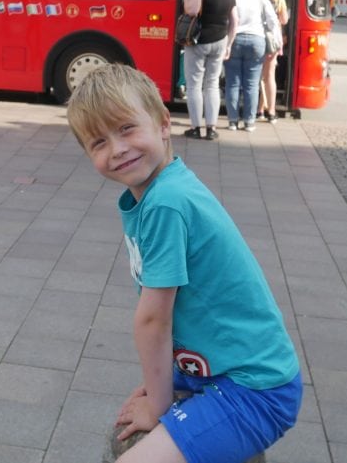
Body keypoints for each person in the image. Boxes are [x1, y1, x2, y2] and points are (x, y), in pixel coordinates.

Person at [65, 64, 301, 463]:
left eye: (126, 129)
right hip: (223, 372)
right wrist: (167, 383)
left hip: (254, 388)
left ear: (161, 125)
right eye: (98, 142)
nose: (117, 149)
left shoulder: (165, 203)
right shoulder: (160, 190)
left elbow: (153, 320)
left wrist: (158, 407)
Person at [182, 0, 237, 140]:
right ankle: (212, 128)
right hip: (220, 41)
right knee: (212, 84)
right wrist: (229, 44)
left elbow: (191, 10)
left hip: (199, 41)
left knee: (194, 85)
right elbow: (235, 21)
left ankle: (196, 128)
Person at [224, 0, 280, 131]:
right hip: (257, 41)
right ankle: (249, 122)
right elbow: (273, 21)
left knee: (232, 83)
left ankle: (233, 121)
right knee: (252, 83)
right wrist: (276, 43)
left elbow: (227, 22)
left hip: (234, 40)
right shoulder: (261, 0)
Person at [254, 0, 288, 123]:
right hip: (271, 40)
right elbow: (284, 19)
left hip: (253, 36)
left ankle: (258, 109)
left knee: (255, 76)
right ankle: (271, 111)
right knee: (269, 76)